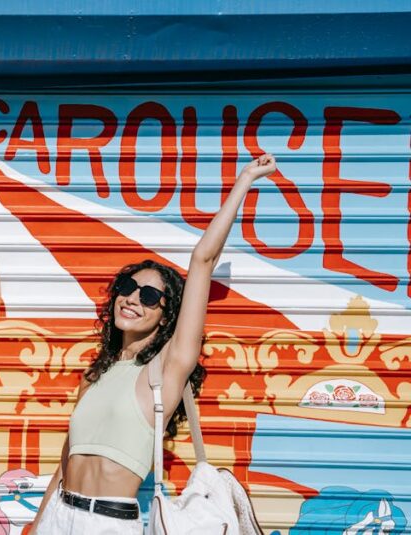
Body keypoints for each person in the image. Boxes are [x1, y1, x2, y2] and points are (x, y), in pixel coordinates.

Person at [32, 154, 279, 533]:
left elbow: (202, 261)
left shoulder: (166, 369)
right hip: (58, 515)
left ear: (166, 316)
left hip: (107, 523)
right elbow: (65, 463)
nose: (133, 299)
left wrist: (245, 179)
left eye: (149, 296)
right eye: (128, 289)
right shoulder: (95, 375)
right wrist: (38, 521)